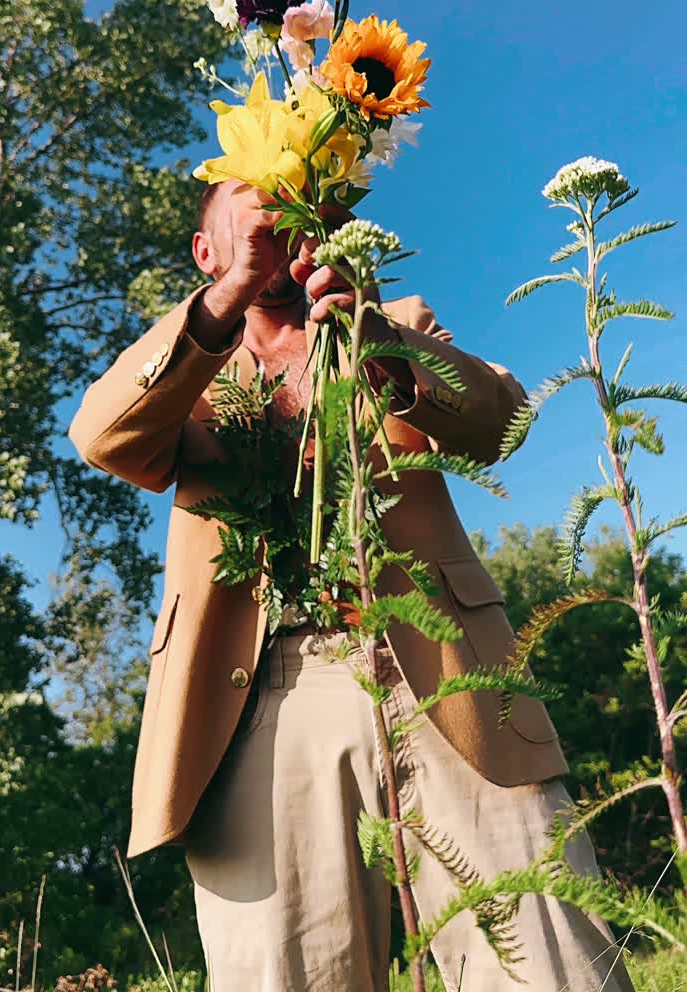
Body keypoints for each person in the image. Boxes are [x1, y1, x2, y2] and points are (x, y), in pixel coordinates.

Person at [69, 180, 634, 992]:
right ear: (204, 251)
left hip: (445, 667)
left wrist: (378, 338)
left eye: (300, 210)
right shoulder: (186, 366)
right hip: (262, 697)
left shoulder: (396, 325)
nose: (283, 226)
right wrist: (228, 295)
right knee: (292, 968)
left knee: (551, 957)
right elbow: (101, 435)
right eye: (256, 212)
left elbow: (501, 420)